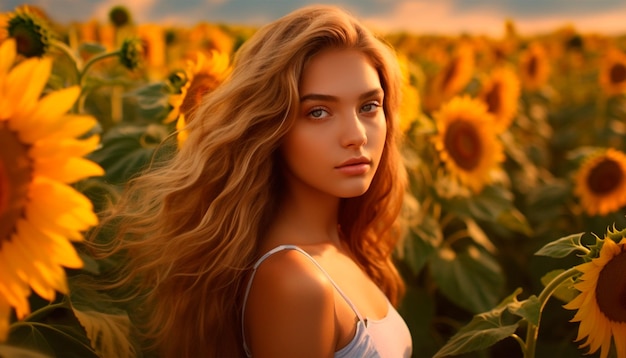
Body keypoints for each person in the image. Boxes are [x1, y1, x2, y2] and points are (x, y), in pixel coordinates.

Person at [94, 4, 412, 357]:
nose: (356, 135)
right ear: (271, 126)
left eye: (369, 106)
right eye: (318, 112)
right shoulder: (295, 282)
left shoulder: (339, 242)